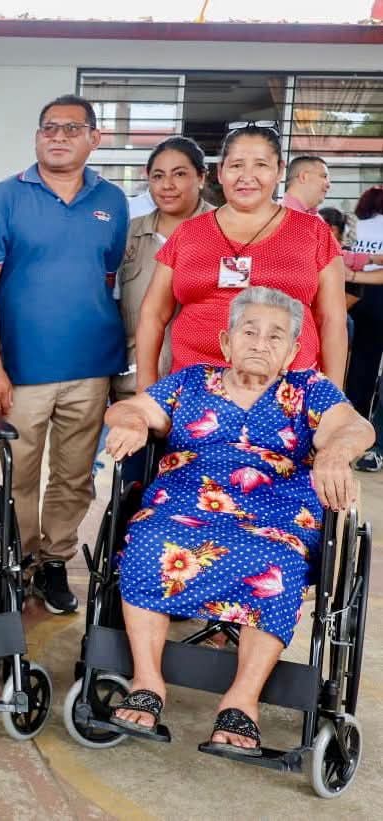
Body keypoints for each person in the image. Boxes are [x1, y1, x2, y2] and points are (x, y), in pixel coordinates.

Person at [102, 287, 372, 753]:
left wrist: (336, 452)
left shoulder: (308, 390)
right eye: (249, 331)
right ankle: (147, 683)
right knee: (147, 537)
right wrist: (128, 421)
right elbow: (131, 406)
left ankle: (242, 701)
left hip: (276, 509)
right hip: (186, 499)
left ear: (291, 352)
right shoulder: (189, 382)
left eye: (275, 336)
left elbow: (354, 426)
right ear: (226, 342)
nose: (260, 343)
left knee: (277, 560)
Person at [0, 93, 129, 615]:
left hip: (90, 366)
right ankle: (21, 560)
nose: (58, 136)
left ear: (94, 139)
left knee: (75, 475)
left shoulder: (114, 201)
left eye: (71, 128)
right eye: (48, 127)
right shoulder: (0, 199)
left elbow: (107, 278)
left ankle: (55, 561)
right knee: (19, 473)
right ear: (37, 137)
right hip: (21, 371)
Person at [135, 124, 348, 396]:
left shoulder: (314, 232)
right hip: (195, 394)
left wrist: (333, 399)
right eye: (236, 165)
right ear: (221, 172)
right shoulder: (188, 232)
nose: (247, 177)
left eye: (260, 164)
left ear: (279, 171)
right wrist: (147, 391)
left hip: (289, 394)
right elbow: (152, 314)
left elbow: (332, 320)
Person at [115, 137, 214, 399]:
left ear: (202, 177)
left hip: (207, 390)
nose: (167, 185)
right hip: (135, 386)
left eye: (179, 174)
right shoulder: (128, 235)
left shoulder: (226, 231)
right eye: (158, 176)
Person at [342, 186, 383, 471]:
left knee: (360, 368)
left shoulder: (356, 226)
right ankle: (376, 444)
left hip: (358, 296)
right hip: (375, 291)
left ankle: (351, 432)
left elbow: (344, 255)